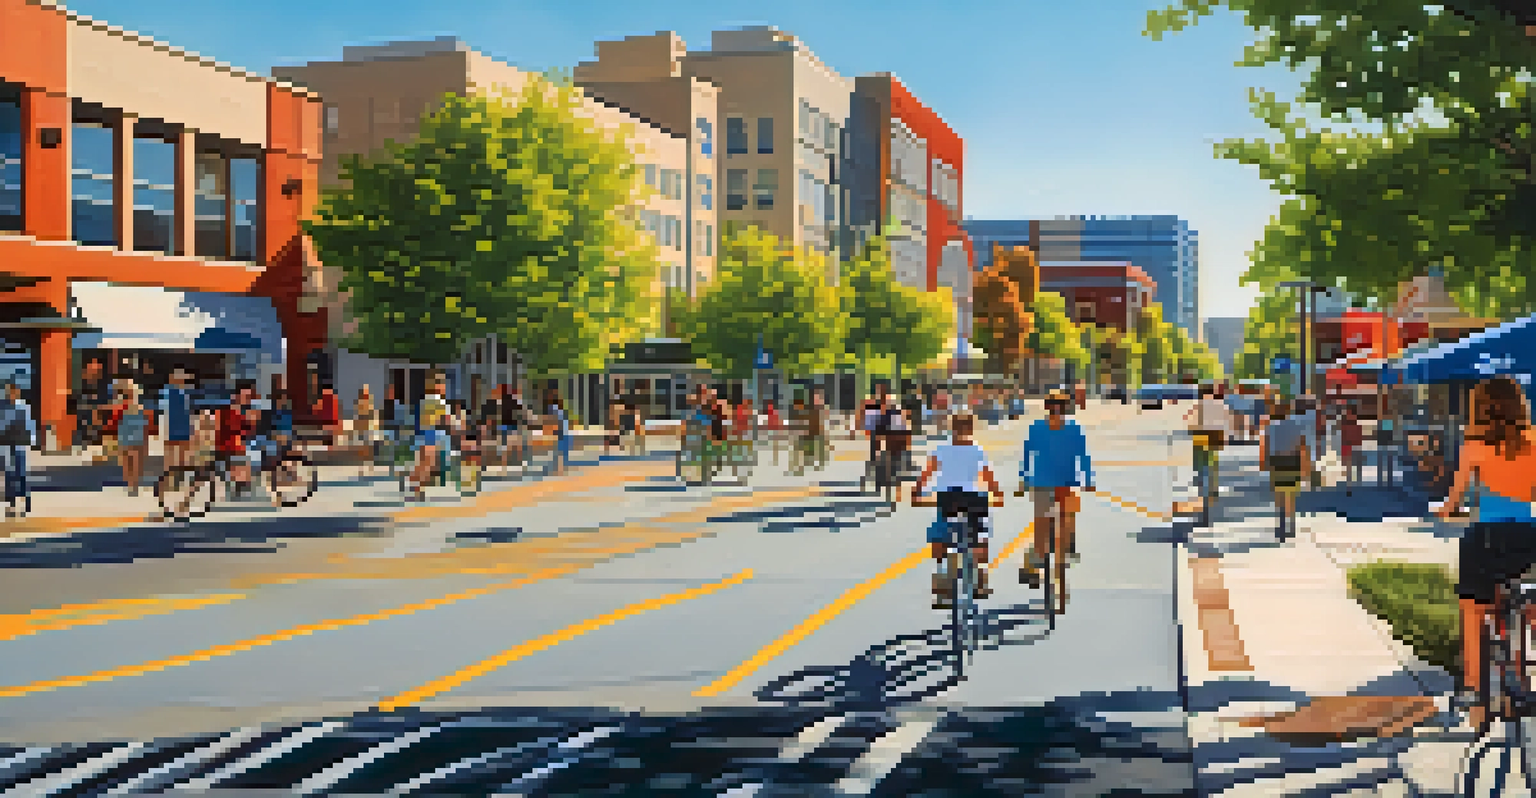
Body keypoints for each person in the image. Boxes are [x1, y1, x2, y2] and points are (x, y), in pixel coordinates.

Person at [1436, 376, 1536, 731]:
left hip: (1487, 540)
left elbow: (1456, 498)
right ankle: (1522, 681)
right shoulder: (1535, 440)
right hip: (1528, 538)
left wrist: (1446, 511)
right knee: (1526, 603)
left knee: (1473, 612)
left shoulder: (1474, 446)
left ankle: (1475, 692)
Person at [912, 412, 1005, 609]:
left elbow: (928, 472)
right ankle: (980, 575)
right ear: (970, 429)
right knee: (981, 533)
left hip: (947, 498)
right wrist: (997, 493)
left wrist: (917, 491)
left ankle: (942, 577)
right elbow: (988, 477)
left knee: (941, 533)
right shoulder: (977, 450)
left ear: (951, 428)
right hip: (972, 498)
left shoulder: (942, 449)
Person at [1017, 389, 1094, 609]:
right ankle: (1038, 557)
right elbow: (1026, 455)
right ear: (1048, 409)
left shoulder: (1074, 429)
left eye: (1059, 410)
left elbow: (1083, 456)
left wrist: (1088, 478)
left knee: (1070, 513)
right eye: (1053, 409)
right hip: (1041, 482)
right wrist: (1023, 478)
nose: (1056, 414)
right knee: (1041, 521)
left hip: (1067, 482)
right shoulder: (1037, 429)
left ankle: (1068, 546)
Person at [1260, 398, 1310, 540]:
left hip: (1276, 462)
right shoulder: (1296, 425)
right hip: (1292, 461)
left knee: (1279, 495)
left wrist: (1263, 463)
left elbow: (1265, 446)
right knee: (1291, 496)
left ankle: (1281, 524)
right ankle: (1291, 525)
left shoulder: (1270, 427)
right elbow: (1303, 447)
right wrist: (1305, 467)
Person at [1185, 383, 1234, 521]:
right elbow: (1228, 421)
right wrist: (1226, 436)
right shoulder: (1220, 404)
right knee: (1213, 462)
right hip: (1215, 437)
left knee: (1200, 462)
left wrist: (1192, 429)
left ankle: (1200, 481)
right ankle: (1212, 486)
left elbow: (1190, 422)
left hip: (1200, 436)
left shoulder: (1198, 405)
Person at [408, 373, 451, 501]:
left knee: (423, 462)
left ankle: (416, 482)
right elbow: (444, 420)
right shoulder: (439, 401)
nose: (444, 387)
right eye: (442, 384)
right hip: (432, 433)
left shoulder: (424, 400)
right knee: (429, 463)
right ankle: (418, 485)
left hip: (422, 432)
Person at [108, 381, 154, 496]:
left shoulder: (140, 409)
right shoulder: (122, 407)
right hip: (128, 437)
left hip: (134, 437)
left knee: (132, 461)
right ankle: (132, 484)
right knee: (129, 461)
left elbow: (146, 426)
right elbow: (114, 423)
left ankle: (132, 484)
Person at [216, 382, 259, 492]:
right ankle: (240, 480)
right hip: (229, 445)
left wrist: (252, 420)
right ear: (236, 396)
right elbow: (233, 430)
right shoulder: (227, 411)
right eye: (245, 396)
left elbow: (250, 431)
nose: (247, 400)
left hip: (240, 444)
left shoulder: (245, 412)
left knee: (256, 446)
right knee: (248, 449)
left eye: (249, 397)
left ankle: (243, 481)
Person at [0, 381, 35, 515]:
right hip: (6, 442)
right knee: (9, 471)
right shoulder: (3, 407)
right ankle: (11, 502)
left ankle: (26, 499)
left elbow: (30, 424)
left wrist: (31, 440)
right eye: (9, 391)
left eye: (14, 391)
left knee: (21, 472)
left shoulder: (24, 407)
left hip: (20, 442)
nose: (11, 394)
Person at [161, 368, 196, 471]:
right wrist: (164, 428)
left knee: (184, 449)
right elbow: (164, 410)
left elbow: (188, 410)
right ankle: (168, 471)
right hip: (171, 424)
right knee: (170, 450)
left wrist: (191, 425)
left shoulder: (185, 392)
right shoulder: (167, 392)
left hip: (184, 424)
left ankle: (181, 471)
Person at [354, 385, 377, 477]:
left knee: (369, 447)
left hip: (368, 427)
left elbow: (373, 415)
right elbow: (357, 416)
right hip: (362, 427)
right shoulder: (360, 403)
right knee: (362, 448)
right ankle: (362, 468)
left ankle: (370, 467)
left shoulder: (369, 403)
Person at [546, 388, 570, 476]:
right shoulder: (559, 408)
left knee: (559, 449)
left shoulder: (553, 408)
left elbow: (553, 419)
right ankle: (561, 467)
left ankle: (559, 468)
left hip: (560, 429)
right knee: (561, 450)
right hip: (563, 429)